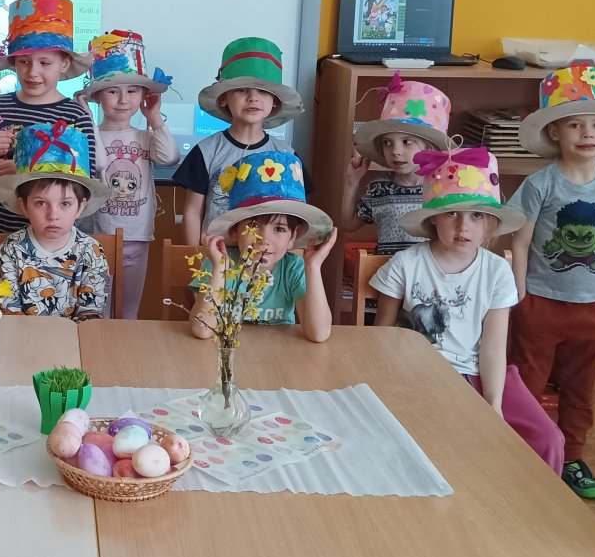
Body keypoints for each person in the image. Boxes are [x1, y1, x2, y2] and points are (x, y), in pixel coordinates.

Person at [371, 148, 565, 472]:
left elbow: (493, 347)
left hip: (482, 372)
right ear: (433, 218)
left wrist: (493, 403)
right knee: (446, 445)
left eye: (476, 216)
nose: (464, 226)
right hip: (421, 375)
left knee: (549, 439)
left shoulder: (497, 271)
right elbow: (382, 337)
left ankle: (537, 503)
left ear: (490, 223)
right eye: (452, 213)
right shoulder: (406, 264)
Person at [509, 62, 595, 498]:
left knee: (581, 387)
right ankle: (520, 452)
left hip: (593, 309)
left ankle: (572, 457)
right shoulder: (540, 184)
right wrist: (520, 298)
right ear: (555, 132)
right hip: (540, 304)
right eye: (575, 124)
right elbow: (519, 243)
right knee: (527, 382)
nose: (588, 134)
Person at [0, 0, 95, 235]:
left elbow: (85, 183)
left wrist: (25, 173)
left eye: (45, 63)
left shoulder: (76, 115)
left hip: (55, 240)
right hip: (1, 234)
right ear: (14, 63)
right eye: (24, 62)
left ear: (64, 64)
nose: (33, 72)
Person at [76, 30, 179, 319]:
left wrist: (154, 118)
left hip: (137, 235)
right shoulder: (88, 136)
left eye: (133, 91)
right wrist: (87, 120)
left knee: (128, 311)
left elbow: (169, 157)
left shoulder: (145, 136)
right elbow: (98, 163)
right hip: (97, 235)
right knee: (97, 311)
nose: (123, 100)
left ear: (144, 96)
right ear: (97, 96)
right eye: (112, 91)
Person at [189, 150, 335, 344]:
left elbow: (319, 334)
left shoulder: (293, 268)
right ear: (235, 231)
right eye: (253, 226)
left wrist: (313, 267)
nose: (264, 240)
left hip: (278, 356)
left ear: (293, 238)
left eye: (279, 229)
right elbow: (202, 329)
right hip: (225, 354)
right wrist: (219, 269)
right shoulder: (219, 263)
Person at [175, 37, 303, 244]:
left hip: (267, 257)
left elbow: (295, 215)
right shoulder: (206, 151)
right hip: (215, 256)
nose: (253, 98)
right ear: (224, 98)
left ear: (275, 101)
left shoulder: (286, 156)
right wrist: (195, 253)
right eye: (242, 90)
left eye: (263, 91)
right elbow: (192, 211)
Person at [0, 120, 112, 321]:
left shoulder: (91, 251)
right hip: (22, 337)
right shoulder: (11, 250)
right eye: (41, 203)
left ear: (80, 207)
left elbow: (91, 314)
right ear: (24, 206)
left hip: (74, 339)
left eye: (65, 204)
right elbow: (8, 312)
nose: (53, 215)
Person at [341, 74, 454, 254]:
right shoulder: (380, 189)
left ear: (429, 147)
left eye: (407, 142)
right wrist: (351, 182)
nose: (395, 151)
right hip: (389, 271)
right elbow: (348, 224)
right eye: (387, 143)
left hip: (429, 271)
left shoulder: (443, 187)